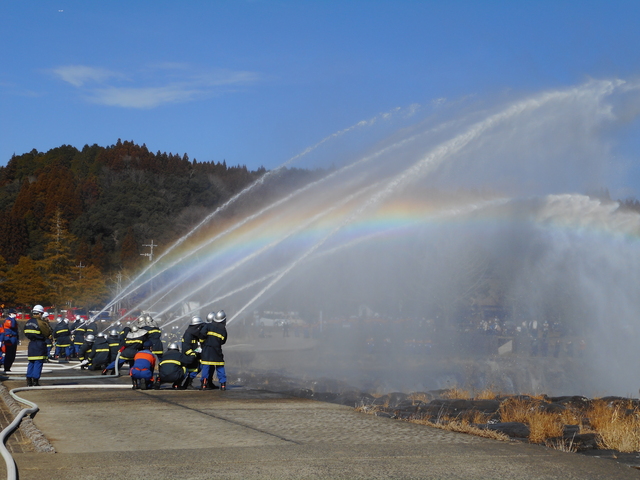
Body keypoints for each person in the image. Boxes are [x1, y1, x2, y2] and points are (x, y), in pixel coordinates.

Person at [198, 310, 228, 390]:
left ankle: (204, 384)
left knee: (206, 367)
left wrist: (203, 344)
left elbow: (201, 335)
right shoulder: (223, 330)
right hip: (217, 350)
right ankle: (223, 384)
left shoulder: (208, 326)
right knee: (220, 367)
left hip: (207, 350)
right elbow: (223, 341)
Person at [24, 304, 52, 387]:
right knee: (38, 362)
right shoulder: (41, 322)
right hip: (39, 344)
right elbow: (47, 333)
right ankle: (35, 381)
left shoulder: (28, 322)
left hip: (31, 344)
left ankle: (29, 381)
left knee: (31, 362)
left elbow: (25, 333)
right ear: (40, 313)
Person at [182, 316, 205, 385]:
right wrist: (193, 353)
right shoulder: (188, 335)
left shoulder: (195, 334)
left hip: (196, 355)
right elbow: (186, 348)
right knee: (192, 369)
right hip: (189, 356)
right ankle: (186, 383)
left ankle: (188, 382)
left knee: (200, 367)